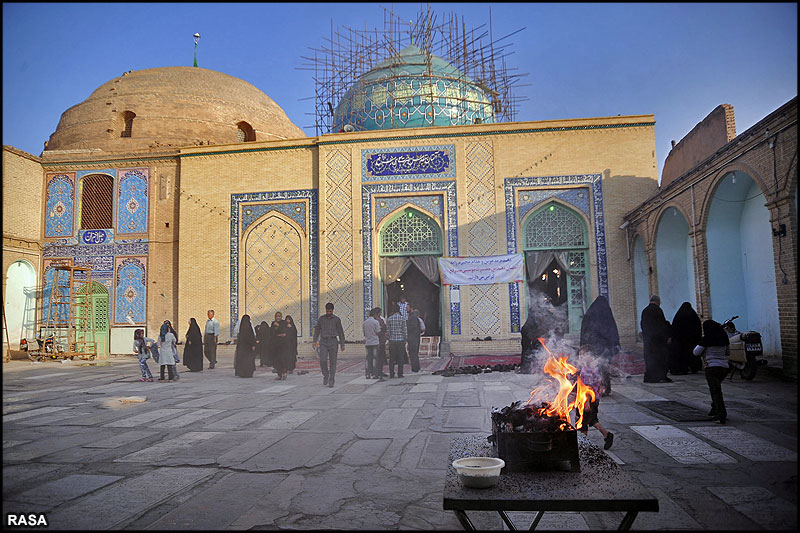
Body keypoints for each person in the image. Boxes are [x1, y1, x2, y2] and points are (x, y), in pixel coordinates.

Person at [579, 295, 621, 396]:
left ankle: (593, 388)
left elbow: (584, 329)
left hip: (592, 345)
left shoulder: (590, 313)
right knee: (603, 366)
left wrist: (583, 344)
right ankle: (604, 388)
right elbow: (611, 330)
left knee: (593, 366)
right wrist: (615, 344)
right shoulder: (606, 313)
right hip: (603, 346)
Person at [693, 319, 730, 424]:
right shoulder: (724, 337)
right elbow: (728, 352)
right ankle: (714, 409)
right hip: (724, 367)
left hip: (711, 367)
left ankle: (721, 414)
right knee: (716, 389)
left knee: (715, 391)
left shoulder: (707, 339)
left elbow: (696, 352)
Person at [576, 355, 614, 450]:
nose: (581, 357)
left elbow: (587, 389)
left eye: (584, 354)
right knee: (592, 420)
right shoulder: (595, 369)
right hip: (593, 399)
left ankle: (583, 443)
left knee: (583, 421)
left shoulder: (587, 371)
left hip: (587, 400)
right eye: (580, 354)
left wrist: (587, 402)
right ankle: (607, 435)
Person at [313, 302, 345, 387]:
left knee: (333, 362)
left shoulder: (337, 319)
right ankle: (326, 375)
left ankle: (331, 380)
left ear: (332, 310)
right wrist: (314, 341)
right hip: (323, 341)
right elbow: (317, 330)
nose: (328, 313)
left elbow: (341, 332)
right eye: (327, 311)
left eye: (330, 311)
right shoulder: (321, 319)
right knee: (322, 360)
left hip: (333, 341)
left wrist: (342, 343)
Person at [640, 295, 672, 383]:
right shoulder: (658, 310)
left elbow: (643, 324)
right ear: (658, 301)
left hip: (648, 340)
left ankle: (650, 376)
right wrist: (666, 337)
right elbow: (661, 325)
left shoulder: (645, 310)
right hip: (658, 341)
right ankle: (660, 376)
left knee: (650, 359)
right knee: (659, 358)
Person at [670, 302, 703, 375]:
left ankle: (682, 368)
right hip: (692, 340)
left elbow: (674, 328)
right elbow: (698, 329)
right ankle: (694, 368)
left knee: (682, 355)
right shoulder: (693, 316)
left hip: (681, 341)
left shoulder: (678, 316)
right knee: (691, 354)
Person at [386, 303, 407, 378]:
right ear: (399, 310)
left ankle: (391, 373)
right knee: (400, 357)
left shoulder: (389, 319)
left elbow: (388, 331)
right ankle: (400, 373)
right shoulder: (402, 318)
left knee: (392, 358)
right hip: (400, 340)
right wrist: (405, 339)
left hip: (392, 340)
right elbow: (404, 330)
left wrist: (388, 338)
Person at [363, 307, 382, 379]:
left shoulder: (365, 322)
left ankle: (367, 374)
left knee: (368, 358)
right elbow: (378, 332)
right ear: (375, 314)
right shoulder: (375, 322)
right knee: (374, 358)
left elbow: (364, 333)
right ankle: (374, 374)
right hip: (375, 342)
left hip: (368, 342)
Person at [270, 312, 290, 380]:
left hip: (283, 344)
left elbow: (285, 332)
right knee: (277, 360)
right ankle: (279, 374)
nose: (278, 318)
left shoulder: (283, 323)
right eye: (277, 316)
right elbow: (272, 333)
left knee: (282, 359)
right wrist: (279, 334)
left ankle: (284, 372)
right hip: (275, 345)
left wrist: (278, 326)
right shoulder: (273, 324)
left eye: (279, 316)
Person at [406, 304, 422, 372]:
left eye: (407, 308)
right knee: (413, 353)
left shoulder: (413, 317)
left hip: (413, 338)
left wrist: (406, 328)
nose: (406, 309)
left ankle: (415, 368)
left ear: (411, 308)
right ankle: (416, 367)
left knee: (413, 353)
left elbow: (413, 327)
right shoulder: (412, 316)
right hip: (413, 338)